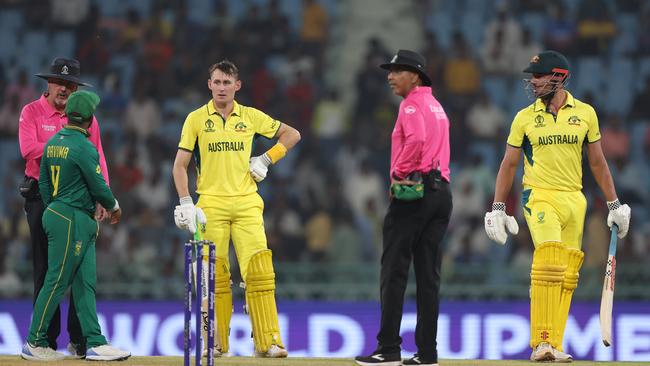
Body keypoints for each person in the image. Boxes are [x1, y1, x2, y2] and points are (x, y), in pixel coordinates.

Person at [484, 50, 631, 362]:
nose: (533, 82)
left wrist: (614, 203)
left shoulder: (586, 114)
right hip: (539, 195)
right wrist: (498, 206)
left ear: (559, 77)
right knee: (549, 257)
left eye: (539, 76)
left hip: (573, 200)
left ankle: (555, 345)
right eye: (532, 76)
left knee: (567, 273)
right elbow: (509, 164)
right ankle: (541, 341)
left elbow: (597, 162)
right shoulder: (524, 118)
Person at [172, 60, 301, 358]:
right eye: (216, 82)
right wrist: (186, 202)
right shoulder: (195, 119)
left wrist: (267, 159)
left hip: (247, 203)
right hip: (211, 205)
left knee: (259, 270)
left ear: (237, 86)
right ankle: (217, 343)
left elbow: (292, 134)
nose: (221, 88)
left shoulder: (251, 117)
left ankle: (268, 341)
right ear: (209, 84)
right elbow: (180, 165)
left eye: (226, 83)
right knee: (213, 276)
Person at [355, 49, 453, 366]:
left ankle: (389, 349)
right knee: (428, 276)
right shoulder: (436, 106)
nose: (390, 76)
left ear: (415, 75)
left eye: (397, 70)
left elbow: (416, 141)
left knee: (394, 271)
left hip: (416, 191)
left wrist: (399, 172)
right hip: (442, 193)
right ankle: (427, 353)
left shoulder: (410, 104)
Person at [21, 91, 130, 361]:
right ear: (90, 119)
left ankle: (93, 341)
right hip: (73, 217)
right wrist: (114, 206)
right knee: (57, 280)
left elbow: (44, 183)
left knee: (84, 282)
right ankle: (35, 342)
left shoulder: (53, 143)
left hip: (59, 212)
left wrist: (55, 207)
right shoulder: (83, 147)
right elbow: (99, 187)